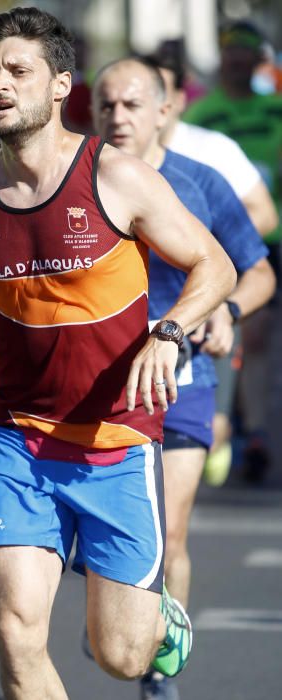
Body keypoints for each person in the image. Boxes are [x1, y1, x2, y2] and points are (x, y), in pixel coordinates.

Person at [0, 8, 236, 699]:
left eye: (17, 70)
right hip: (18, 442)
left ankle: (154, 620)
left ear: (59, 85)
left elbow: (215, 267)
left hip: (116, 444)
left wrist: (166, 334)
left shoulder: (115, 178)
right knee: (16, 634)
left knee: (120, 657)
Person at [91, 56, 275, 699]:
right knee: (103, 538)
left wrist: (225, 310)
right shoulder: (74, 186)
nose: (118, 116)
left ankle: (157, 669)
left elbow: (257, 271)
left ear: (165, 112)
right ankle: (117, 614)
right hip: (97, 388)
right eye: (106, 104)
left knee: (168, 532)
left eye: (133, 104)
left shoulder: (200, 184)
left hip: (183, 378)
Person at [148, 44, 279, 485]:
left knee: (226, 385)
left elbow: (261, 215)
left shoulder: (209, 150)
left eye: (158, 93)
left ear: (177, 100)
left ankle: (222, 434)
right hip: (138, 323)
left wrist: (205, 251)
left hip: (208, 298)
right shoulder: (105, 159)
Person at [184, 20, 282, 482]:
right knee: (251, 332)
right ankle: (242, 430)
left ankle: (241, 423)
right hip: (233, 241)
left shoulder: (276, 110)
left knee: (256, 339)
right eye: (231, 57)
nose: (238, 64)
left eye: (246, 56)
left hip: (274, 233)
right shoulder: (204, 116)